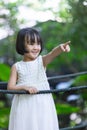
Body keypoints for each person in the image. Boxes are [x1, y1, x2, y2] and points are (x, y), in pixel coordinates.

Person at [7, 27, 71, 130]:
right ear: (21, 45)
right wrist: (24, 87)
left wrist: (60, 48)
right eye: (31, 44)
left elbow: (52, 54)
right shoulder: (16, 66)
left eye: (38, 44)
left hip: (43, 104)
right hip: (25, 105)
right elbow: (10, 87)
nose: (36, 47)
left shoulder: (41, 61)